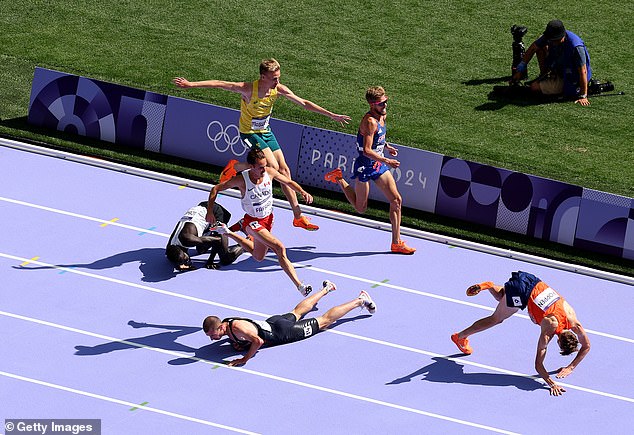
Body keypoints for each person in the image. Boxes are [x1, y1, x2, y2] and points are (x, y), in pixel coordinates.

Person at [173, 58, 351, 231]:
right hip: (249, 133)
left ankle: (298, 217)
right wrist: (191, 85)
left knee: (285, 170)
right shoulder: (248, 89)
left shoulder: (277, 89)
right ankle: (238, 167)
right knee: (272, 166)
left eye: (279, 77)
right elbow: (219, 83)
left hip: (265, 131)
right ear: (263, 77)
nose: (278, 81)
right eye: (274, 78)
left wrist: (332, 115)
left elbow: (304, 103)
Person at [451, 271, 591, 396]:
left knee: (503, 297)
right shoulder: (549, 329)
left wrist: (570, 367)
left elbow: (586, 346)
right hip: (522, 293)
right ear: (559, 342)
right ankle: (460, 337)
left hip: (531, 280)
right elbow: (538, 365)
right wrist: (552, 383)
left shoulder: (573, 318)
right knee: (496, 319)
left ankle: (489, 286)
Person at [207, 146, 314, 296]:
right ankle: (300, 285)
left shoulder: (269, 172)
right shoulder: (241, 180)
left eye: (265, 166)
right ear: (251, 167)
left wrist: (302, 191)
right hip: (252, 222)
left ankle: (228, 232)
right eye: (261, 168)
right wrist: (209, 211)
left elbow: (288, 182)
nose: (264, 170)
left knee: (258, 257)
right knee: (279, 248)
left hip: (268, 219)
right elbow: (215, 189)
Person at [324, 86, 416, 254]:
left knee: (396, 200)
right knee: (361, 208)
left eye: (386, 101)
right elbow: (366, 150)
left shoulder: (382, 116)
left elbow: (378, 138)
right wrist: (387, 159)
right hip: (365, 165)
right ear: (372, 105)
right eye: (382, 104)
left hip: (378, 164)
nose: (385, 106)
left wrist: (386, 146)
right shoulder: (370, 121)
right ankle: (338, 177)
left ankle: (396, 242)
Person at [202, 280, 376, 366]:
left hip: (283, 332)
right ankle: (326, 289)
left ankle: (360, 300)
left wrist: (244, 358)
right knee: (297, 311)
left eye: (212, 335)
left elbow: (258, 341)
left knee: (324, 321)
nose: (212, 339)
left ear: (220, 327)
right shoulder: (227, 323)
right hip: (273, 322)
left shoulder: (236, 328)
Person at [513, 19, 592, 106]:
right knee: (540, 47)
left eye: (555, 40)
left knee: (534, 87)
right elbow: (533, 48)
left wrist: (583, 95)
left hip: (571, 78)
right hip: (559, 68)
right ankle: (544, 74)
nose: (553, 43)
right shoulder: (550, 38)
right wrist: (520, 69)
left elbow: (583, 71)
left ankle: (550, 80)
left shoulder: (576, 47)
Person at [166, 201, 243, 271]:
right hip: (200, 212)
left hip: (213, 212)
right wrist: (180, 264)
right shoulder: (170, 247)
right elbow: (174, 257)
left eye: (185, 259)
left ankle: (246, 242)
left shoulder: (188, 239)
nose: (187, 261)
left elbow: (217, 240)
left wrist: (210, 261)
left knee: (225, 259)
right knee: (201, 250)